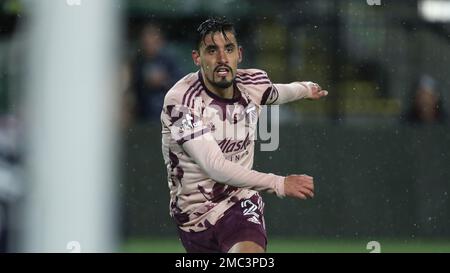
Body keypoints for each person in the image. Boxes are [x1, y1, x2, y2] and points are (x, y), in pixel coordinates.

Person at [160, 17, 328, 253]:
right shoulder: (181, 102)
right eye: (211, 50)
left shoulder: (253, 83)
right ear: (196, 58)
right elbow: (214, 166)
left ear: (239, 54)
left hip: (239, 202)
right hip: (194, 217)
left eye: (228, 49)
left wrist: (305, 88)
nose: (222, 58)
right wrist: (279, 183)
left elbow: (276, 93)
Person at [132, 23, 181, 122]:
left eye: (153, 42)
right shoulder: (138, 61)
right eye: (146, 43)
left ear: (160, 42)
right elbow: (134, 87)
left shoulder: (169, 60)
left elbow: (181, 85)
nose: (149, 46)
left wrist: (164, 80)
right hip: (144, 114)